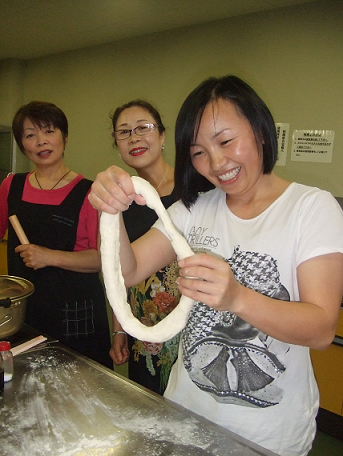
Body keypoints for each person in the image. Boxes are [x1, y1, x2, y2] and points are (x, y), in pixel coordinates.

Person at [89, 75, 343, 455]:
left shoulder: (311, 208)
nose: (217, 162)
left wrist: (236, 298)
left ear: (260, 129)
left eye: (225, 141)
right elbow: (127, 271)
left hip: (268, 434)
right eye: (198, 152)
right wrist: (109, 213)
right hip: (185, 414)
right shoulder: (194, 209)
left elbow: (321, 328)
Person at [0, 101, 112, 369]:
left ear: (64, 137)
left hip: (75, 313)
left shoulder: (89, 192)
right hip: (24, 312)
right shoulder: (11, 186)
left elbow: (101, 260)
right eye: (30, 135)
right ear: (22, 144)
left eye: (49, 131)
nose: (41, 141)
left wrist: (48, 256)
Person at [109, 99, 181, 394]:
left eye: (143, 128)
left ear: (162, 136)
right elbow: (119, 270)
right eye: (123, 133)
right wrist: (119, 326)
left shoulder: (194, 189)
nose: (134, 138)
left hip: (189, 322)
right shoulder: (121, 200)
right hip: (144, 330)